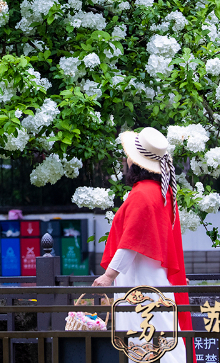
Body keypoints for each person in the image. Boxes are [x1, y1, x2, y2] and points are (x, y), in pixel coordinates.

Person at [92, 127, 193, 363]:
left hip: (140, 278)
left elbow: (131, 241)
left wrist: (108, 275)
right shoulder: (161, 191)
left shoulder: (142, 194)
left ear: (136, 163)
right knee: (163, 333)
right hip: (154, 274)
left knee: (145, 335)